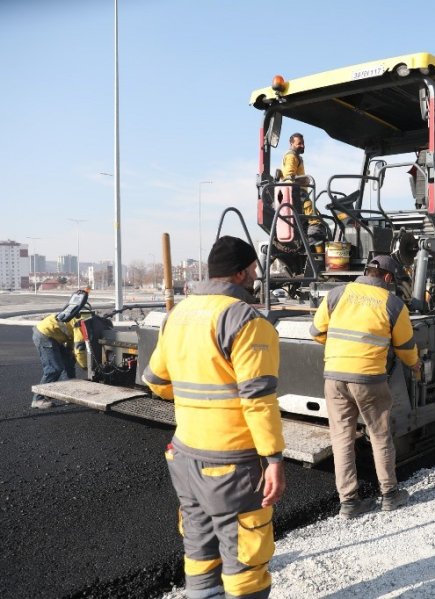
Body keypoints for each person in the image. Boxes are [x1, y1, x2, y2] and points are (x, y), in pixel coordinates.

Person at [143, 236, 286, 599]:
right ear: (239, 274)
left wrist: (197, 401)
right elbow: (258, 400)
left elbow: (155, 381)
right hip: (231, 466)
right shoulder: (246, 321)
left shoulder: (178, 314)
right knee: (245, 561)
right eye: (253, 270)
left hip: (184, 455)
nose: (256, 277)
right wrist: (273, 459)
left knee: (200, 551)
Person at [310, 254, 421, 518]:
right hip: (369, 379)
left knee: (341, 437)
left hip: (334, 378)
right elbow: (405, 348)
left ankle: (349, 502)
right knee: (380, 435)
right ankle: (390, 495)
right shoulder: (392, 304)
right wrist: (415, 364)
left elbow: (316, 333)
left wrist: (341, 351)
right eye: (392, 280)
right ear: (386, 277)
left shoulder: (337, 294)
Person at [31, 292, 89, 409]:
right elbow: (79, 348)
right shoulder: (81, 323)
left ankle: (69, 395)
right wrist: (85, 366)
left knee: (69, 362)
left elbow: (72, 341)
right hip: (45, 335)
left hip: (51, 334)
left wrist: (69, 352)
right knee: (54, 369)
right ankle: (38, 399)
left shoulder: (77, 316)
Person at [281, 132, 326, 252]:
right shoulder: (291, 156)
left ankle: (312, 247)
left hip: (298, 193)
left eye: (303, 143)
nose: (302, 145)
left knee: (313, 218)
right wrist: (305, 180)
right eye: (299, 143)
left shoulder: (296, 157)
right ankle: (318, 252)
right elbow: (289, 177)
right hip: (297, 193)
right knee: (315, 218)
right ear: (291, 143)